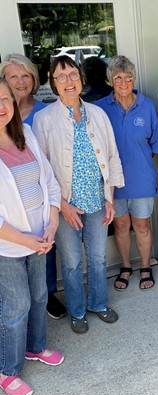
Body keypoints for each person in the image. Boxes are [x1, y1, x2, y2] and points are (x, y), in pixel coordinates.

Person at [33, 56, 124, 334]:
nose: (68, 81)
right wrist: (62, 206)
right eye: (61, 77)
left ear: (81, 79)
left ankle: (98, 303)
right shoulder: (44, 119)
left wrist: (110, 198)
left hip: (97, 201)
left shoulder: (97, 114)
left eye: (73, 74)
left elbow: (111, 155)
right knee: (71, 262)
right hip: (65, 207)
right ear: (53, 83)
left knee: (97, 258)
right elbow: (41, 172)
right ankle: (77, 310)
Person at [0, 78, 64, 395]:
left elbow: (50, 183)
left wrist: (51, 223)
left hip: (41, 238)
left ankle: (35, 347)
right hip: (8, 246)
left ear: (12, 101)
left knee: (40, 296)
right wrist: (26, 241)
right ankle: (7, 370)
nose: (0, 107)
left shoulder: (27, 138)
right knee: (16, 306)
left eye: (3, 99)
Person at [0, 53, 67, 320]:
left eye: (25, 75)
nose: (20, 81)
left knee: (44, 247)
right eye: (13, 76)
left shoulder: (43, 111)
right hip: (10, 216)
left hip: (45, 193)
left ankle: (47, 294)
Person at [97, 56, 158, 291]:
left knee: (142, 226)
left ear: (133, 79)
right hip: (114, 183)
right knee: (122, 226)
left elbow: (154, 146)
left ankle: (145, 266)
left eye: (128, 77)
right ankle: (126, 266)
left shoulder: (147, 105)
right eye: (118, 78)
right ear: (110, 81)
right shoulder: (101, 109)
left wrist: (137, 164)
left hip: (142, 180)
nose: (123, 82)